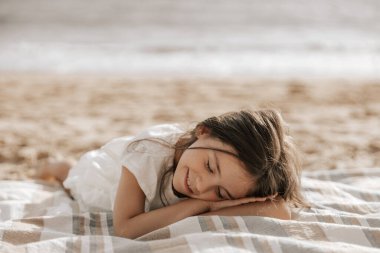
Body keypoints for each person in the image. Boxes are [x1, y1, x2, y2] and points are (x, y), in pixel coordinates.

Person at [37, 109, 307, 239]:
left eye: (222, 192)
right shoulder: (149, 151)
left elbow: (280, 210)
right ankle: (55, 165)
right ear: (204, 131)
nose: (201, 185)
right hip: (102, 181)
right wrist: (204, 205)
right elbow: (126, 228)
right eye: (211, 166)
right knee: (70, 179)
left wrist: (213, 203)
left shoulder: (227, 177)